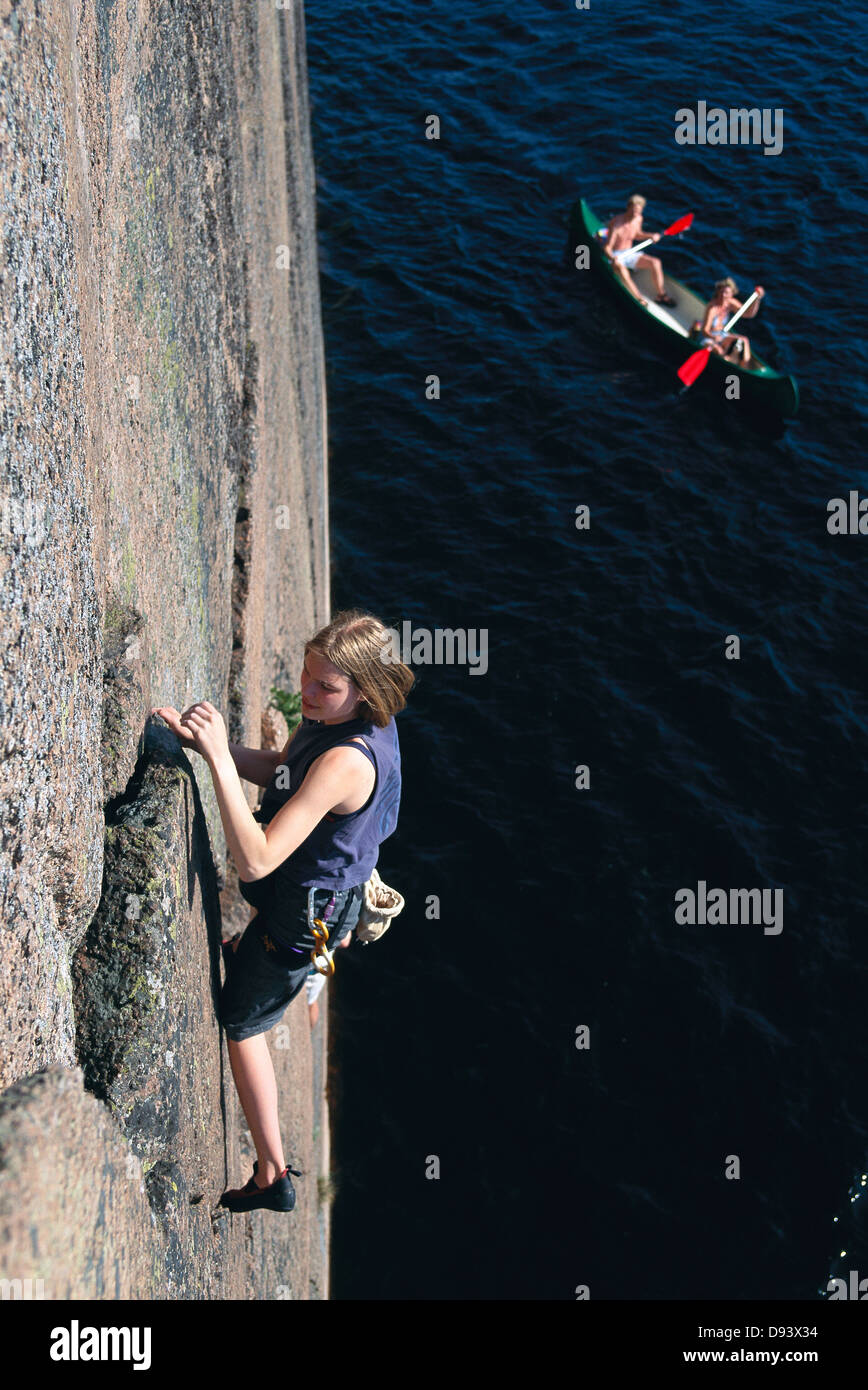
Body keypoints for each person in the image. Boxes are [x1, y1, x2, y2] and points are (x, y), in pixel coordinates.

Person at [152, 608, 414, 1213]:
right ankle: (277, 954)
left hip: (307, 908)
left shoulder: (348, 758)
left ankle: (272, 1173)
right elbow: (283, 773)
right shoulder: (346, 717)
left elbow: (258, 861)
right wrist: (209, 744)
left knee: (242, 1025)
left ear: (363, 691)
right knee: (265, 950)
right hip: (319, 893)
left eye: (324, 685)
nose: (307, 691)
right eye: (306, 674)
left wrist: (217, 759)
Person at [599, 194, 677, 308]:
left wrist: (651, 236)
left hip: (630, 252)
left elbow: (637, 235)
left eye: (639, 211)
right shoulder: (617, 224)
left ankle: (661, 295)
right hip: (616, 255)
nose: (636, 214)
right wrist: (612, 259)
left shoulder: (638, 218)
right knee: (621, 268)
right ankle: (639, 298)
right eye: (634, 211)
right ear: (628, 207)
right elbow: (607, 247)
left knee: (656, 262)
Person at [697, 277, 765, 366]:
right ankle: (727, 362)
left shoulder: (730, 303)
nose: (723, 295)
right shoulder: (712, 307)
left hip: (722, 334)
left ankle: (744, 365)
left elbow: (748, 314)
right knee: (719, 351)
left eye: (726, 293)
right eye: (722, 292)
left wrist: (757, 299)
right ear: (718, 292)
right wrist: (714, 337)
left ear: (731, 294)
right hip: (709, 337)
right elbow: (705, 331)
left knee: (744, 340)